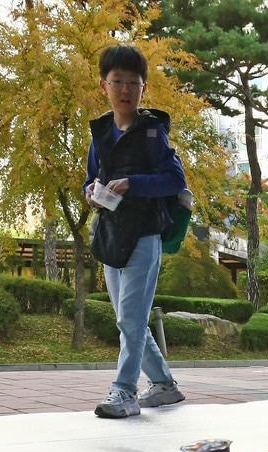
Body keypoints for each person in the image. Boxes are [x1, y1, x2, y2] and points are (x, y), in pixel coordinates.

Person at [84, 44, 188, 419]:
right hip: (111, 234)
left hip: (145, 235)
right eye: (117, 82)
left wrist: (133, 184)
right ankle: (164, 385)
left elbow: (174, 180)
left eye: (133, 82)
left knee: (129, 318)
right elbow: (90, 179)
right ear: (103, 85)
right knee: (129, 319)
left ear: (143, 87)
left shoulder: (152, 133)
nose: (125, 90)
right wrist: (93, 195)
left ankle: (124, 392)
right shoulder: (100, 134)